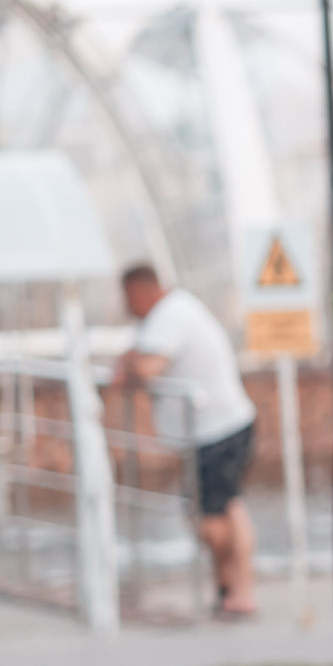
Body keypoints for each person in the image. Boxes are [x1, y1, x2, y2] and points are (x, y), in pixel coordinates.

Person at [113, 264, 260, 617]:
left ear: (142, 290)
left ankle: (239, 590)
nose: (126, 306)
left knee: (216, 516)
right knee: (215, 511)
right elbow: (134, 356)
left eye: (128, 297)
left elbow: (146, 367)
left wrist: (127, 368)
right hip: (212, 431)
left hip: (218, 429)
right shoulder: (164, 316)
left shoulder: (172, 313)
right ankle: (229, 589)